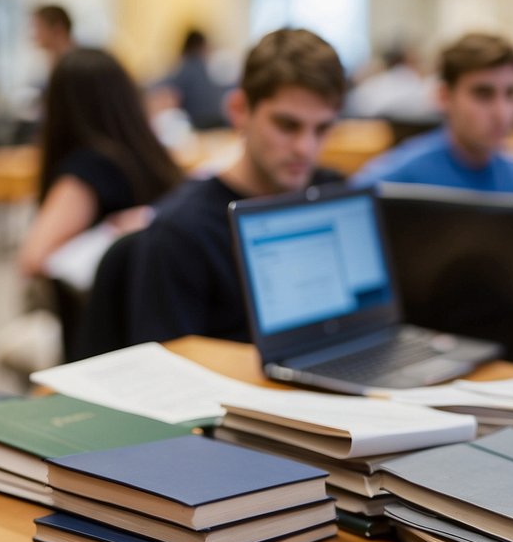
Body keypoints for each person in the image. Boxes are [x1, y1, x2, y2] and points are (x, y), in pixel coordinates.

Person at [81, 28, 346, 354]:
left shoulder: (334, 193)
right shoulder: (182, 231)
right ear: (239, 111)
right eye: (286, 125)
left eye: (322, 128)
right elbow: (166, 378)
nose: (305, 148)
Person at [18, 48, 184, 361]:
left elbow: (32, 259)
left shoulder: (88, 170)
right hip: (159, 327)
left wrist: (108, 234)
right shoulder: (153, 157)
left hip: (101, 340)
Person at [353, 33, 513, 194]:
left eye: (511, 94)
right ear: (444, 97)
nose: (502, 113)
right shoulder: (395, 181)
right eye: (483, 95)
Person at [154, 28, 230, 130]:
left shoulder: (185, 68)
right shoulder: (208, 68)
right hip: (221, 122)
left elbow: (162, 86)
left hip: (199, 124)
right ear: (203, 46)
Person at [32, 4, 74, 69]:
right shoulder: (55, 61)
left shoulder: (78, 65)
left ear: (58, 29)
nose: (35, 35)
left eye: (39, 27)